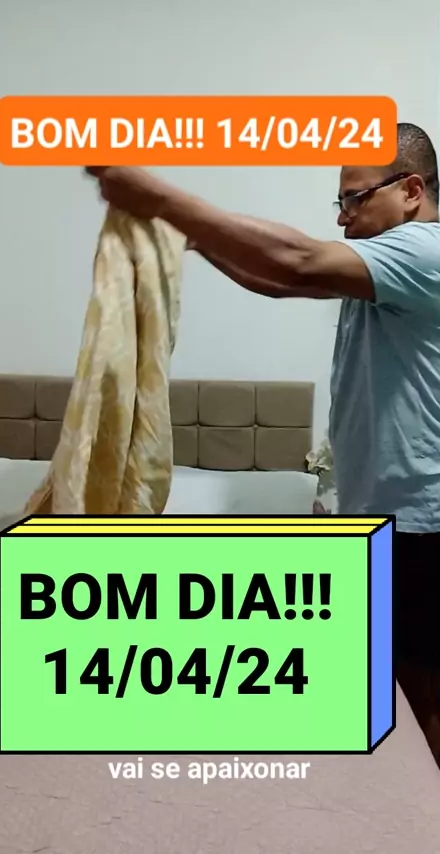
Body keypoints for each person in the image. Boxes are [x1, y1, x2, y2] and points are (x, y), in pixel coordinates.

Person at [85, 122, 440, 763]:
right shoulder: (383, 271)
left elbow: (296, 259)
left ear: (412, 190)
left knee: (424, 691)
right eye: (340, 200)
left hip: (423, 523)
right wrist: (193, 237)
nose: (343, 216)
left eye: (355, 197)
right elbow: (281, 280)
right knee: (398, 682)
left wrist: (160, 197)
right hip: (388, 514)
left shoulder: (423, 250)